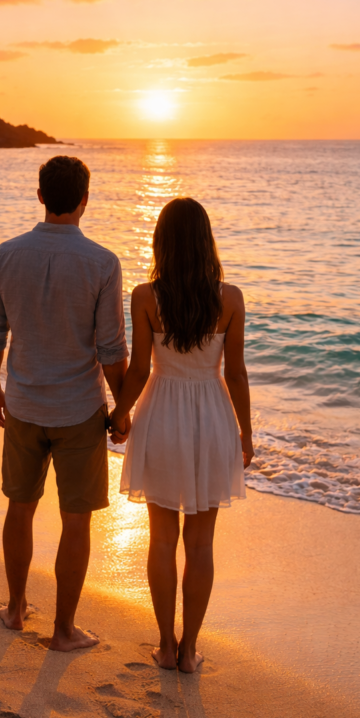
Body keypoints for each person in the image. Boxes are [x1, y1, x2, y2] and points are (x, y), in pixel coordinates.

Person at [0, 155, 129, 652]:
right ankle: (63, 631)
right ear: (86, 199)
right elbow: (111, 349)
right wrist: (122, 407)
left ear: (40, 195)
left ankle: (17, 608)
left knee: (19, 508)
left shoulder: (5, 255)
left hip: (22, 403)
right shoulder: (103, 263)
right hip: (80, 410)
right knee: (76, 520)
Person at [110, 197, 253, 672]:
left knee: (161, 540)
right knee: (201, 544)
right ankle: (190, 652)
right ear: (205, 240)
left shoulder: (146, 297)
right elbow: (236, 374)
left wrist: (120, 413)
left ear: (162, 242)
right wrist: (245, 433)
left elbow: (140, 369)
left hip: (162, 415)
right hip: (211, 418)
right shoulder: (229, 298)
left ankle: (166, 647)